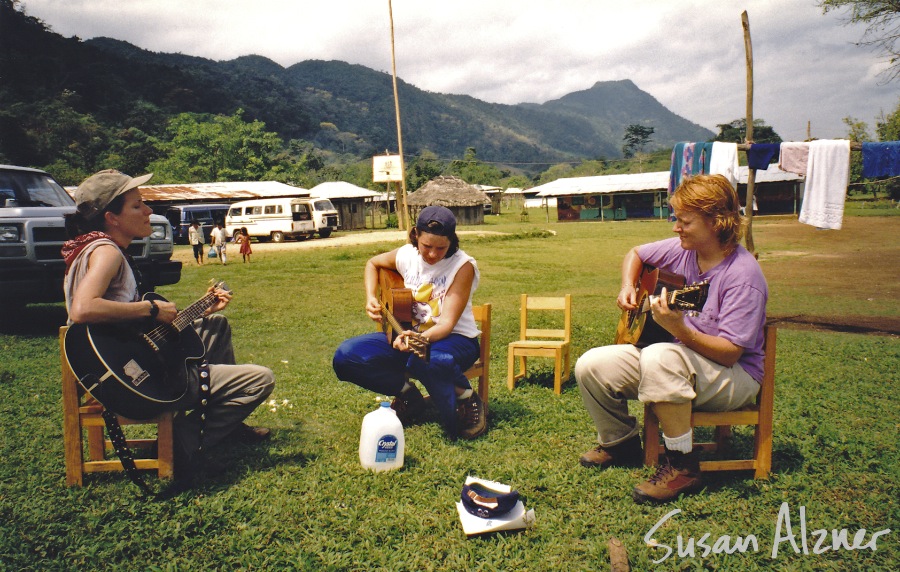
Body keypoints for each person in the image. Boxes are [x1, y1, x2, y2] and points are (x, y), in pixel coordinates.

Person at [62, 169, 275, 494]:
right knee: (261, 379)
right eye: (137, 206)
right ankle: (182, 440)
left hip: (120, 366)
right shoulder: (107, 253)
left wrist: (200, 309)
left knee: (214, 325)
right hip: (136, 382)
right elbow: (82, 309)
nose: (148, 211)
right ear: (112, 218)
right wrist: (151, 309)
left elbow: (133, 330)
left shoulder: (89, 249)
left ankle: (226, 427)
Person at [574, 174, 767, 504]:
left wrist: (680, 331)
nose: (676, 227)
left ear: (716, 222)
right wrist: (628, 286)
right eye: (676, 218)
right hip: (684, 362)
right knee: (592, 364)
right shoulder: (685, 250)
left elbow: (731, 354)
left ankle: (682, 466)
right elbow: (636, 253)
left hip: (735, 378)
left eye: (684, 220)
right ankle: (620, 444)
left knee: (659, 355)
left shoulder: (743, 277)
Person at [332, 206, 485, 440]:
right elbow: (372, 264)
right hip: (408, 338)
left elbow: (446, 324)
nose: (433, 254)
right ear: (416, 235)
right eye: (426, 246)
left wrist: (418, 339)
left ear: (452, 241)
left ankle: (467, 398)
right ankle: (408, 395)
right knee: (346, 356)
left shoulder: (463, 266)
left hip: (455, 340)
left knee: (423, 359)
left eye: (441, 248)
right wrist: (371, 297)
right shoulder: (406, 254)